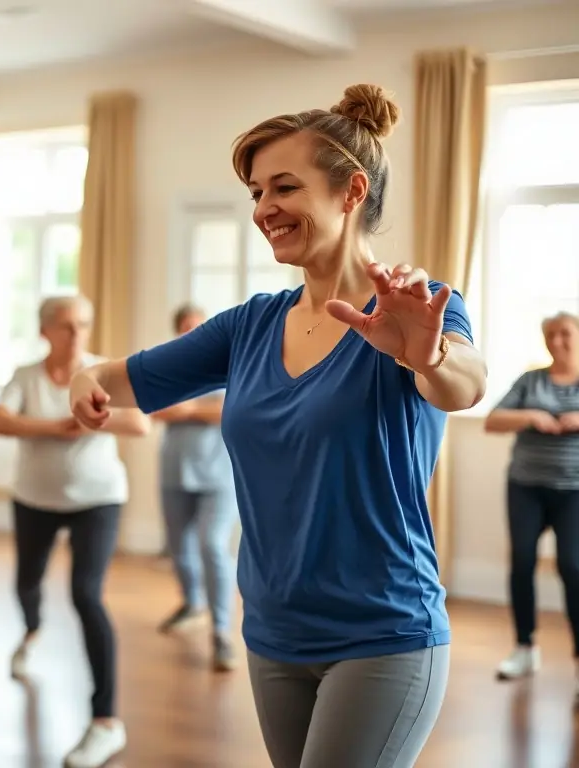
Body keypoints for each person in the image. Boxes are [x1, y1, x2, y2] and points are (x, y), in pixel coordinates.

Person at [68, 84, 487, 768]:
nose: (264, 209)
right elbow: (120, 375)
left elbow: (466, 383)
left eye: (283, 188)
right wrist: (87, 378)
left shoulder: (416, 309)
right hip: (273, 633)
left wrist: (426, 352)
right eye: (257, 193)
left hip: (383, 631)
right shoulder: (251, 325)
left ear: (351, 193)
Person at [0, 294, 150, 768]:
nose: (76, 333)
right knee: (27, 583)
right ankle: (32, 629)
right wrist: (52, 427)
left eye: (82, 324)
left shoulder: (103, 372)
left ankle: (105, 721)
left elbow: (139, 424)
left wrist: (90, 418)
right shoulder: (26, 376)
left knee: (86, 595)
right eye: (65, 325)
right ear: (45, 331)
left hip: (97, 500)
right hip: (35, 499)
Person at [484, 312, 579, 696]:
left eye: (565, 333)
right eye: (550, 334)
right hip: (525, 486)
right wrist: (532, 415)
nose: (557, 340)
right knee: (521, 561)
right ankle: (525, 647)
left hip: (573, 491)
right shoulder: (530, 380)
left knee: (573, 567)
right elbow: (493, 420)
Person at [153, 303, 239, 671]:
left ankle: (221, 632)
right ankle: (192, 602)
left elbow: (232, 409)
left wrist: (187, 411)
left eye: (197, 326)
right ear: (177, 331)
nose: (192, 332)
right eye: (185, 326)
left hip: (219, 476)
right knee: (178, 547)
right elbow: (154, 410)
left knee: (212, 545)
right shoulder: (168, 367)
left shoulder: (228, 365)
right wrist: (195, 411)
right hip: (175, 472)